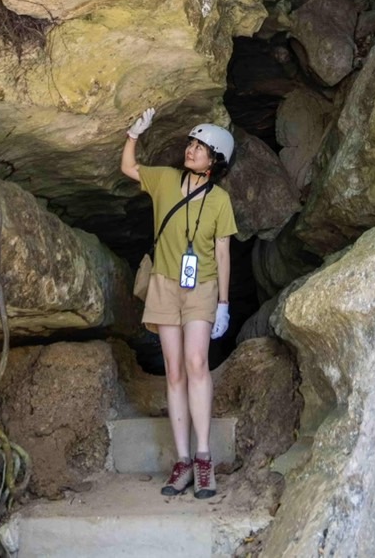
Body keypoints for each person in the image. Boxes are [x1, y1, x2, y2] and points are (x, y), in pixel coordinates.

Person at [122, 109, 239, 499]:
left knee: (196, 364)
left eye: (200, 148)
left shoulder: (220, 200)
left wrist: (223, 303)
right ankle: (183, 460)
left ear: (215, 161)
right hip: (163, 284)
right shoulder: (167, 180)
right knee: (173, 370)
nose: (190, 151)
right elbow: (129, 168)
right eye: (191, 144)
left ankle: (204, 458)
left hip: (202, 287)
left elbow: (223, 253)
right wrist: (133, 134)